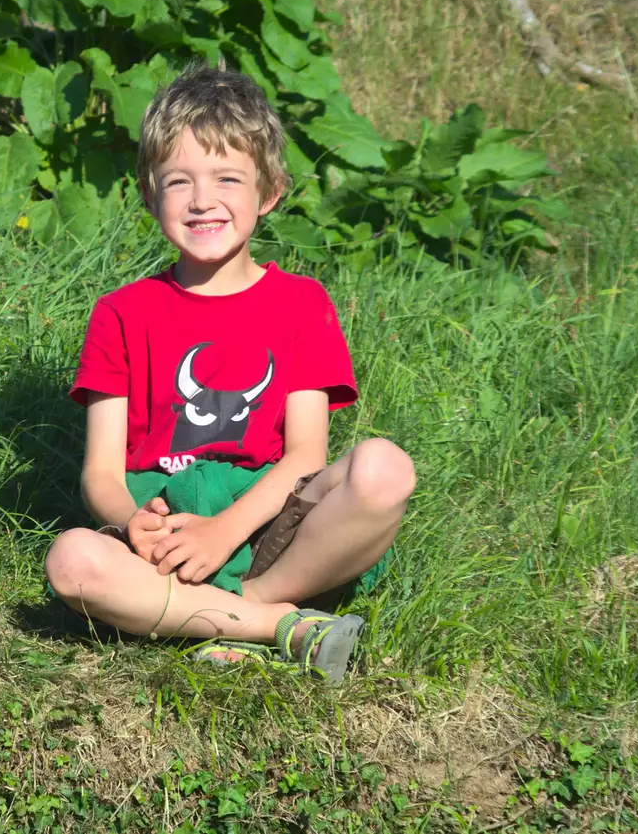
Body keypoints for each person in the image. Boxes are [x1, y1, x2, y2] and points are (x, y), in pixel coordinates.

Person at [43, 66, 416, 679]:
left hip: (268, 524)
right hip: (163, 532)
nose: (202, 200)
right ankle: (278, 626)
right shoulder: (120, 313)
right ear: (149, 191)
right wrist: (129, 520)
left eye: (227, 179)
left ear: (269, 191)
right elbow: (102, 472)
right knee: (72, 561)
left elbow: (305, 459)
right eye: (179, 181)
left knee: (385, 469)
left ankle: (233, 610)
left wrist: (224, 533)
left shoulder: (302, 303)